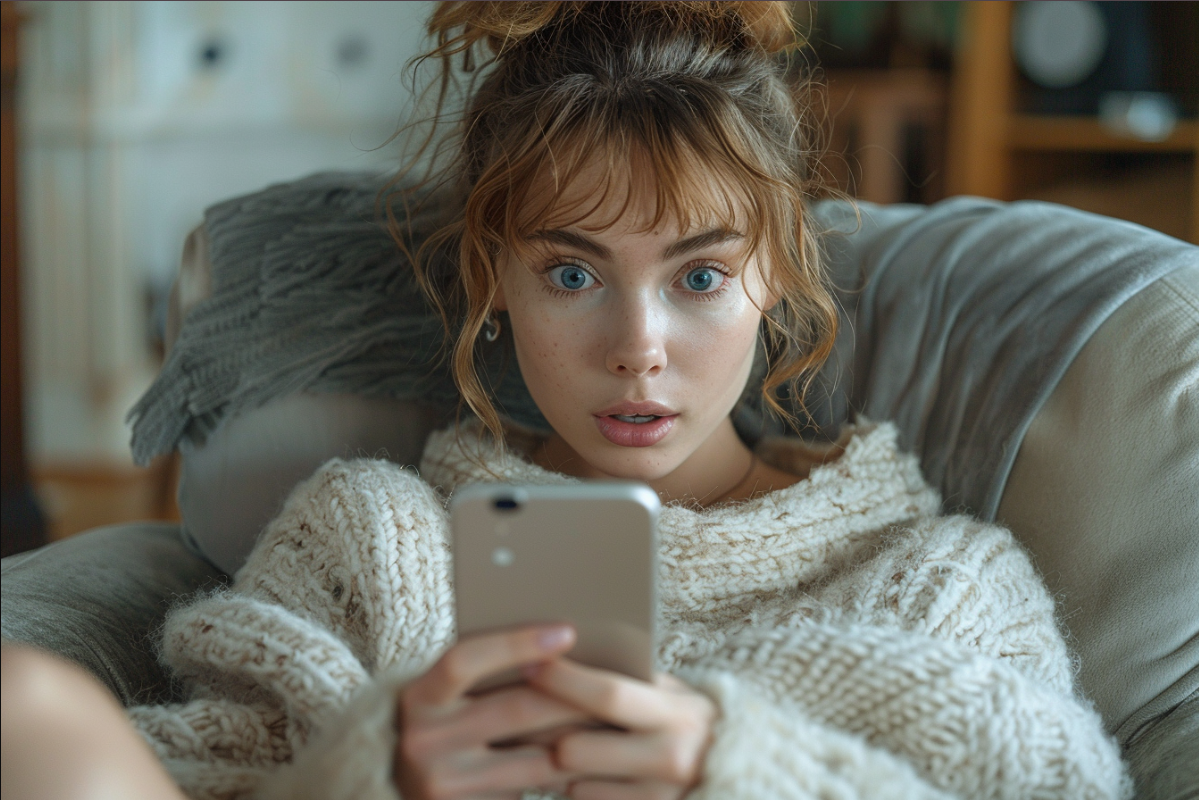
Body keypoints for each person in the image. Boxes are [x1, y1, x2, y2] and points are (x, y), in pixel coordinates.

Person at [3, 3, 1131, 799]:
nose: (636, 351)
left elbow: (1063, 780)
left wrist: (731, 763)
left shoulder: (935, 585)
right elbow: (202, 770)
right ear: (494, 274)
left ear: (777, 274)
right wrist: (372, 770)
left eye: (696, 277)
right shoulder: (374, 535)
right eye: (572, 274)